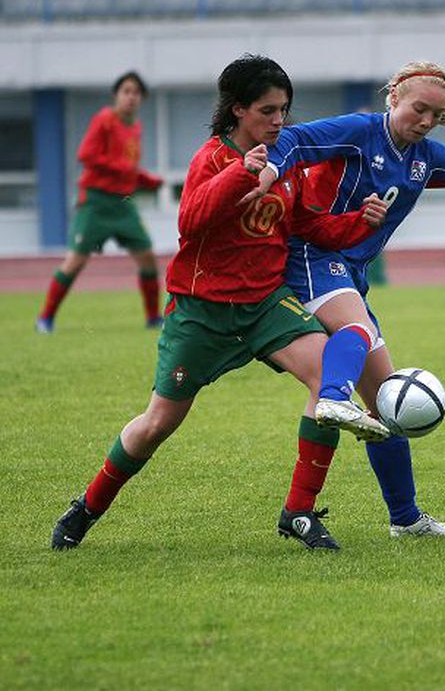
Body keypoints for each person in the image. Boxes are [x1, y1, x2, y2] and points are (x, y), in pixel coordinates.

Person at [51, 54, 390, 553]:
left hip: (266, 305)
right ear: (237, 110)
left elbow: (309, 228)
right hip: (202, 311)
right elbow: (191, 220)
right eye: (267, 111)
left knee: (328, 384)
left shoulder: (288, 159)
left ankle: (298, 512)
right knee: (157, 424)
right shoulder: (212, 157)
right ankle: (88, 506)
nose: (279, 121)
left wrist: (361, 221)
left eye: (284, 110)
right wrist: (241, 173)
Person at [242, 60, 445, 539]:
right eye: (418, 109)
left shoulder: (423, 158)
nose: (425, 121)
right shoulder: (359, 132)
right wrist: (269, 167)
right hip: (311, 257)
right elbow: (298, 139)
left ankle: (406, 520)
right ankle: (332, 399)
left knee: (385, 400)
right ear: (393, 97)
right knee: (362, 342)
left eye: (435, 115)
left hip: (349, 272)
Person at [36, 71, 165, 333]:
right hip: (95, 202)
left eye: (136, 93)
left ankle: (153, 319)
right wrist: (128, 171)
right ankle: (45, 319)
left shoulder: (134, 127)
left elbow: (127, 166)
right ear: (116, 95)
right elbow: (86, 155)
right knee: (75, 262)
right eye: (126, 91)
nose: (131, 97)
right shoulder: (105, 119)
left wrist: (145, 179)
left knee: (148, 259)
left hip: (123, 204)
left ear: (142, 98)